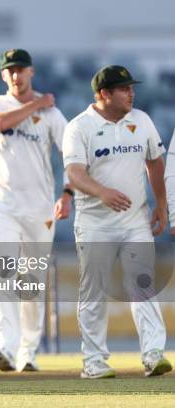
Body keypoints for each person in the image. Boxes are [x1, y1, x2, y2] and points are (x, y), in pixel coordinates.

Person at [63, 65, 172, 379]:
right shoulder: (79, 127)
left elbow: (155, 163)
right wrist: (102, 192)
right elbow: (75, 173)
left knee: (142, 284)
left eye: (131, 87)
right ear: (104, 94)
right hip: (94, 222)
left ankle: (153, 353)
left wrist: (161, 204)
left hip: (135, 220)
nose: (131, 93)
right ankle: (94, 360)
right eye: (123, 88)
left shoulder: (142, 120)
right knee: (93, 290)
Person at [0, 48, 71, 372]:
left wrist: (68, 193)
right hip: (2, 205)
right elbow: (0, 124)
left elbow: (71, 154)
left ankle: (27, 351)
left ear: (31, 71)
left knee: (31, 281)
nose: (16, 75)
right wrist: (37, 103)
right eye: (10, 70)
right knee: (5, 272)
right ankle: (4, 347)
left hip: (39, 209)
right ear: (4, 75)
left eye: (21, 69)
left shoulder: (52, 116)